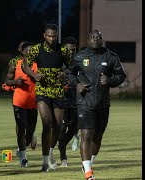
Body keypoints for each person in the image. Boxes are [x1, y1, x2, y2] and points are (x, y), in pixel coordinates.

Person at [65, 30, 126, 180]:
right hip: (84, 102)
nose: (95, 40)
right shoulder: (79, 56)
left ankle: (88, 164)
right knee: (86, 134)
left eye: (98, 37)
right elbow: (69, 73)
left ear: (102, 40)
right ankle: (88, 173)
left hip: (103, 103)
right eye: (92, 37)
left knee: (97, 137)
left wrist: (110, 81)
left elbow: (121, 75)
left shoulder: (111, 56)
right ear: (88, 40)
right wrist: (77, 84)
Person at [22, 23, 71, 172]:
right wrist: (34, 75)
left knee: (58, 126)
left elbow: (71, 67)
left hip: (58, 91)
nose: (52, 38)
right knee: (47, 123)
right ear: (44, 35)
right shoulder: (37, 49)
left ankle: (50, 152)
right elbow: (25, 65)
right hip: (42, 90)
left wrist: (65, 74)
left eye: (54, 36)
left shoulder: (63, 50)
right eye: (49, 36)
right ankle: (44, 163)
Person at [4, 41, 38, 167]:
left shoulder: (38, 64)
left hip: (33, 103)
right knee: (21, 129)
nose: (30, 52)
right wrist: (15, 82)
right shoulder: (15, 64)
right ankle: (23, 158)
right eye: (28, 50)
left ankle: (21, 149)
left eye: (32, 50)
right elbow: (7, 81)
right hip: (19, 102)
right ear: (22, 52)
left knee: (30, 132)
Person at [57, 36, 79, 167]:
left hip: (74, 100)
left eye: (73, 50)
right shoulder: (58, 62)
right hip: (60, 100)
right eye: (68, 50)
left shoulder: (78, 63)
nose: (71, 52)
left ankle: (63, 144)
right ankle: (63, 158)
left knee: (74, 127)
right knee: (62, 128)